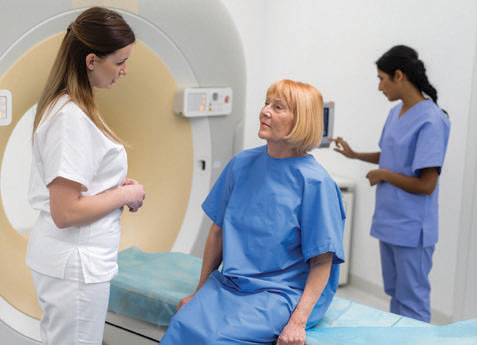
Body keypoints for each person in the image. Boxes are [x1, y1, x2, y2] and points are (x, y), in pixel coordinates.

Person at [159, 79, 345, 345]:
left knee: (218, 339)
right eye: (266, 103)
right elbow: (217, 232)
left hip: (282, 292)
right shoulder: (242, 164)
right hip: (231, 284)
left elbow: (322, 261)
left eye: (278, 107)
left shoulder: (315, 183)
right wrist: (199, 292)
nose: (265, 111)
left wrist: (297, 322)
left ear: (301, 120)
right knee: (181, 326)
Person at [27, 7, 146, 345]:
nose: (124, 71)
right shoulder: (71, 119)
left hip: (72, 263)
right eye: (120, 61)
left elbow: (79, 187)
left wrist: (113, 187)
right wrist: (124, 196)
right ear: (91, 60)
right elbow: (65, 212)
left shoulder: (72, 107)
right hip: (75, 264)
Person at [331, 45, 450, 322]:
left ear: (399, 76)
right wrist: (355, 154)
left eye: (381, 78)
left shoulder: (432, 120)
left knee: (412, 301)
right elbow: (395, 156)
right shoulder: (396, 113)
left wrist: (383, 175)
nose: (379, 86)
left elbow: (427, 184)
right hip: (391, 222)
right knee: (396, 294)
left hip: (412, 227)